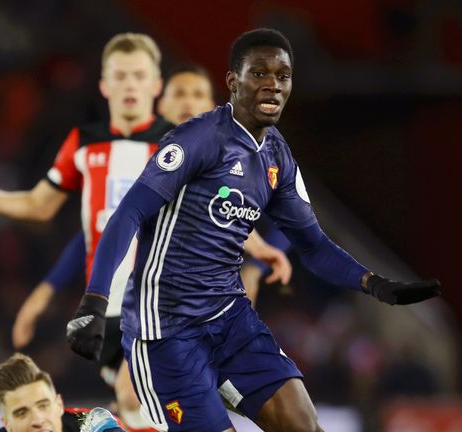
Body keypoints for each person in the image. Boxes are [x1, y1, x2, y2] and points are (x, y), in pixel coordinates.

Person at [66, 28, 441, 432]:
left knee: (305, 426)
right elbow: (129, 215)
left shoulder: (277, 156)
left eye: (283, 76)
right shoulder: (198, 138)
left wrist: (375, 284)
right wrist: (94, 302)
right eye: (259, 73)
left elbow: (312, 245)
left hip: (231, 320)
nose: (273, 85)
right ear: (233, 81)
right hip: (167, 332)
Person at [0, 35, 289, 430]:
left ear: (154, 87)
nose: (129, 84)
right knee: (141, 404)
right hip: (103, 305)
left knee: (138, 394)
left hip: (159, 299)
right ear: (104, 85)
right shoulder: (83, 143)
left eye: (138, 76)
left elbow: (213, 214)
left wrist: (260, 247)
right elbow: (42, 205)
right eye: (121, 76)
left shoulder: (180, 143)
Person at [0, 353, 123, 432]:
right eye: (22, 413)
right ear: (7, 424)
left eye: (43, 406)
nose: (38, 420)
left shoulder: (92, 424)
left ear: (59, 404)